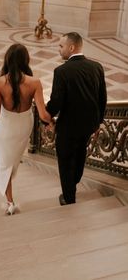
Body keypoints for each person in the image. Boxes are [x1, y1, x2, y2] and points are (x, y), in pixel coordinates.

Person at [0, 43, 52, 215]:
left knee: (4, 164)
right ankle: (9, 197)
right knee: (13, 162)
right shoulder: (35, 82)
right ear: (26, 60)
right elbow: (43, 114)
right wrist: (52, 123)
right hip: (25, 126)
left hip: (6, 128)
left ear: (7, 59)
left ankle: (10, 202)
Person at [46, 32, 107, 206]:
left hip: (68, 127)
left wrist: (46, 118)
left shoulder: (61, 71)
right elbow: (102, 98)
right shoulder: (97, 67)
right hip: (89, 125)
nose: (59, 49)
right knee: (80, 153)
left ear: (71, 47)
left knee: (65, 159)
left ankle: (69, 197)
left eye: (61, 46)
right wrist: (98, 123)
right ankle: (74, 181)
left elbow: (56, 101)